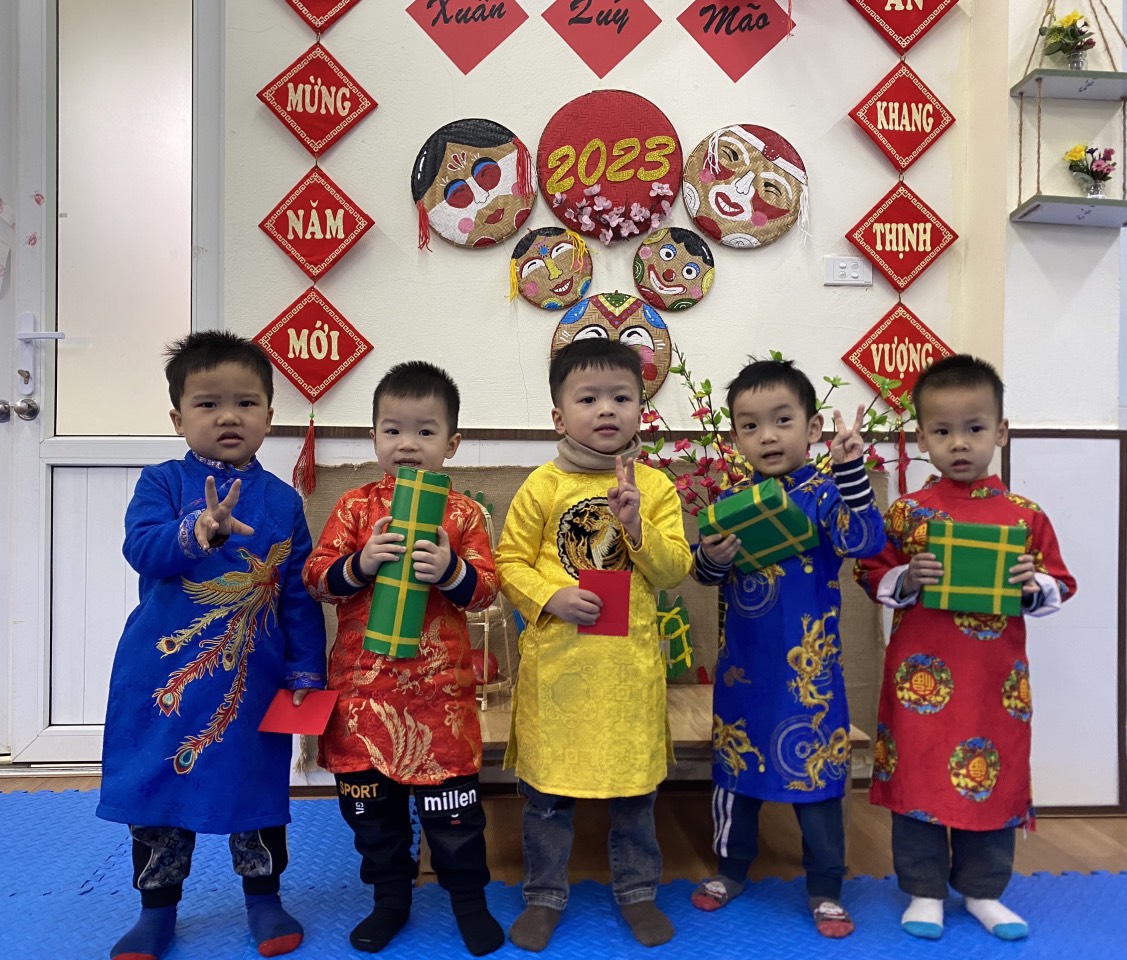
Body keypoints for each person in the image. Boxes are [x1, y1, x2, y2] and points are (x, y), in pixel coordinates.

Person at [96, 331, 326, 960]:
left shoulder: (283, 500)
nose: (229, 417)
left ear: (269, 417)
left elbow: (297, 594)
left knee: (257, 790)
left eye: (246, 403)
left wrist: (306, 672)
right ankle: (156, 910)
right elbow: (142, 548)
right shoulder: (162, 483)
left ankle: (264, 899)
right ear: (178, 418)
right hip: (164, 673)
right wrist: (197, 529)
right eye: (208, 404)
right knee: (158, 790)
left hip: (253, 681)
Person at [855, 354, 1076, 942]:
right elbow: (870, 573)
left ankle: (984, 891)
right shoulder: (909, 512)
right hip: (920, 680)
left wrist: (1033, 584)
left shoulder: (1025, 517)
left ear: (1000, 432)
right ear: (921, 438)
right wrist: (906, 576)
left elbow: (1060, 583)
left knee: (992, 776)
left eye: (974, 428)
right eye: (942, 430)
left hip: (993, 683)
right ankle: (923, 891)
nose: (959, 443)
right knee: (918, 775)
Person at [495, 337, 692, 952]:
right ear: (559, 416)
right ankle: (543, 895)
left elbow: (674, 570)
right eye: (589, 399)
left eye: (621, 398)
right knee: (546, 798)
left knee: (634, 794)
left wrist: (635, 525)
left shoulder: (656, 487)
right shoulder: (542, 486)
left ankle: (638, 891)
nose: (606, 409)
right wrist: (551, 595)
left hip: (627, 673)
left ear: (640, 409)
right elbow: (508, 562)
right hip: (558, 671)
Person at [303, 361, 504, 956]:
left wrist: (451, 570)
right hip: (364, 697)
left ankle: (468, 900)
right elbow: (316, 578)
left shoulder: (463, 515)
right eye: (393, 430)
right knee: (372, 816)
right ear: (374, 438)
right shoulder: (354, 507)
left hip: (440, 700)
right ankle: (390, 898)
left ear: (452, 443)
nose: (407, 443)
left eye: (425, 431)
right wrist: (361, 563)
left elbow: (487, 590)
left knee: (454, 816)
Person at [689, 357, 885, 939]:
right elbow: (704, 574)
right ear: (735, 437)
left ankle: (825, 886)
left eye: (782, 420)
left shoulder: (826, 494)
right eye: (750, 426)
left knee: (818, 779)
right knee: (735, 771)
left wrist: (851, 473)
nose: (767, 436)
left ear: (813, 427)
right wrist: (711, 557)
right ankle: (731, 869)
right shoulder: (733, 500)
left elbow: (865, 539)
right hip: (744, 672)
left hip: (811, 675)